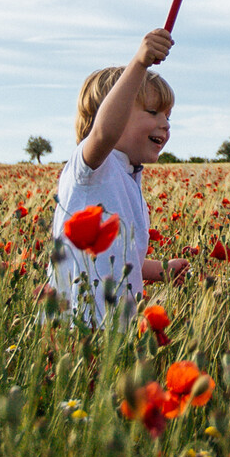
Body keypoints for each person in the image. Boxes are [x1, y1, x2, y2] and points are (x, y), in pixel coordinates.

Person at [49, 28, 178, 324]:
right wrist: (139, 64)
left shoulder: (129, 175)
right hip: (77, 323)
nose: (165, 124)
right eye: (153, 112)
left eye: (167, 117)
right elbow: (106, 131)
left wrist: (161, 269)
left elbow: (119, 258)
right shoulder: (94, 166)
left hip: (113, 328)